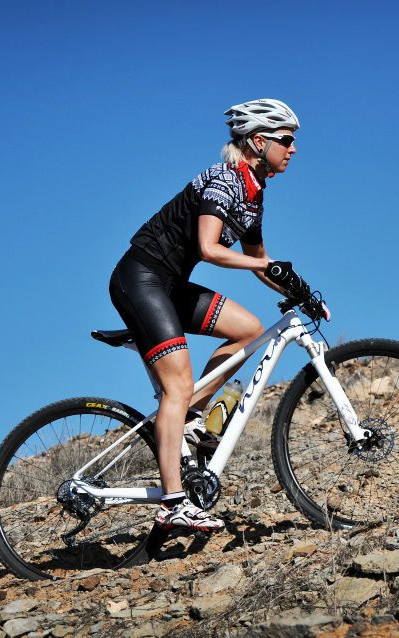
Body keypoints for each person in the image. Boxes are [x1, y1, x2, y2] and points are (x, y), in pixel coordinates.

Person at [109, 99, 303, 532]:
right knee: (177, 385)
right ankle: (172, 503)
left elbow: (261, 262)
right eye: (286, 140)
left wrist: (298, 290)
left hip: (168, 286)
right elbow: (210, 249)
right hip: (140, 279)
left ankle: (190, 419)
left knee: (249, 330)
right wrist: (268, 266)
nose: (293, 149)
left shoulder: (253, 194)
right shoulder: (223, 180)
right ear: (259, 141)